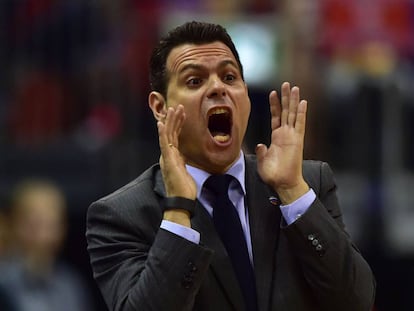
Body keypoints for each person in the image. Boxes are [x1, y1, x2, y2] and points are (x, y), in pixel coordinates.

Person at [86, 21, 376, 311]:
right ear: (160, 108)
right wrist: (177, 209)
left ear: (246, 96)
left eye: (229, 77)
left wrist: (292, 191)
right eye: (194, 81)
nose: (217, 88)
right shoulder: (121, 216)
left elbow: (357, 300)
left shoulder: (309, 182)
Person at [0, 179, 93, 311]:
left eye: (51, 225)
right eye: (35, 224)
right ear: (14, 224)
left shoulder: (70, 283)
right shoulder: (4, 282)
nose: (44, 235)